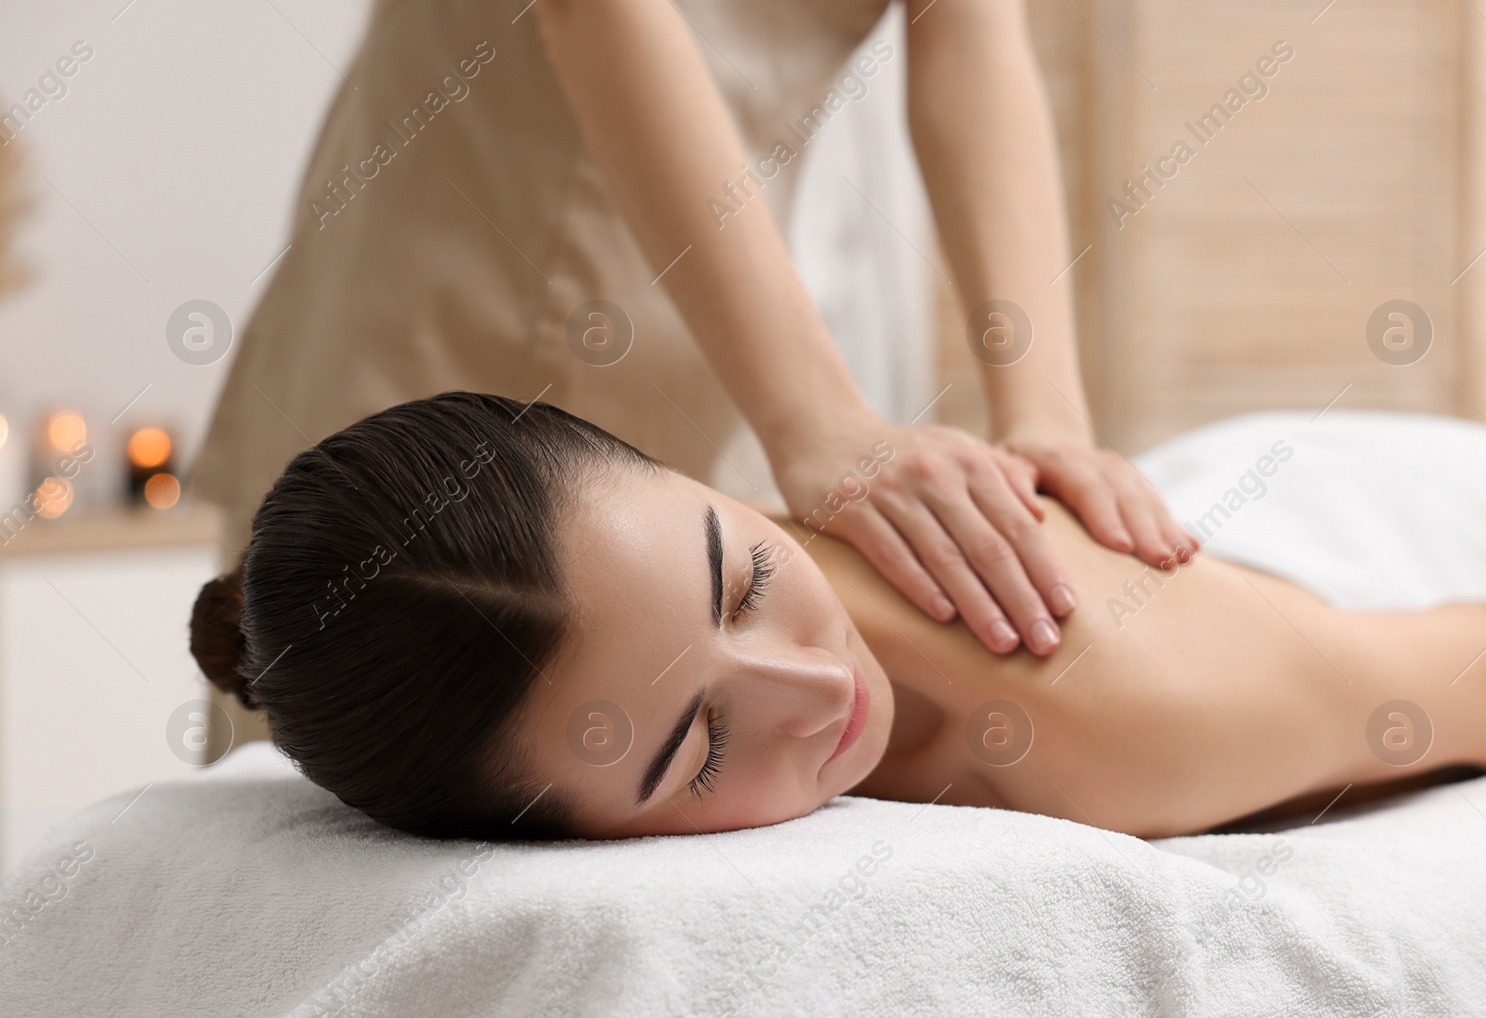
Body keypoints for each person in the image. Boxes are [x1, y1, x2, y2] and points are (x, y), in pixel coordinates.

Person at [186, 0, 1196, 666]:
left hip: (702, 358)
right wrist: (818, 418)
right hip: (438, 322)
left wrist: (1046, 415)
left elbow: (971, 37)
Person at [189, 392, 1486, 840]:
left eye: (743, 575)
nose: (811, 687)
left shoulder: (1116, 714)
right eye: (696, 742)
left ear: (706, 478)